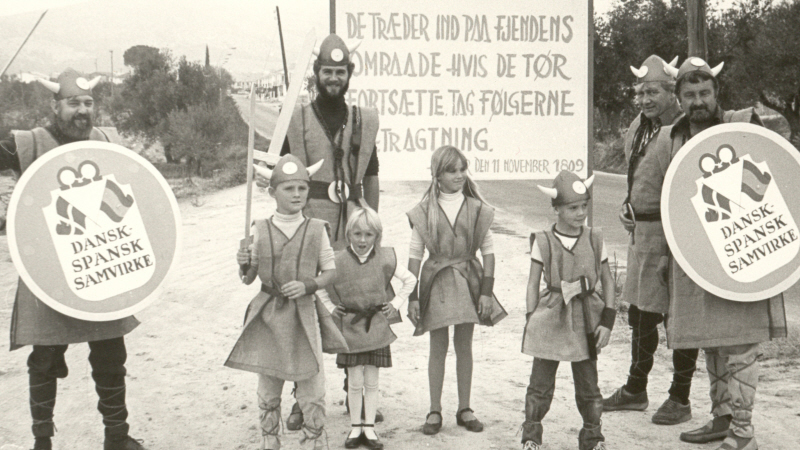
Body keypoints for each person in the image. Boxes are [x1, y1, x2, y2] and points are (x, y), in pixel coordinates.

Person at [0, 69, 146, 450]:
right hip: (48, 271)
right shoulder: (31, 142)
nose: (83, 110)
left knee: (111, 355)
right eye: (73, 103)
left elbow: (136, 187)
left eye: (88, 102)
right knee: (44, 359)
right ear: (55, 106)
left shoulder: (107, 141)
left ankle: (117, 437)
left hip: (98, 267)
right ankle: (42, 442)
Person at [653, 57, 787, 450]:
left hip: (743, 254)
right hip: (697, 258)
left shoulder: (741, 124)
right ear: (678, 99)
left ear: (716, 93)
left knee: (740, 345)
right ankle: (722, 418)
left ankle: (743, 433)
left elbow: (779, 163)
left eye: (705, 93)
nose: (698, 101)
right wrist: (664, 252)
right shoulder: (670, 139)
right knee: (711, 341)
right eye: (690, 94)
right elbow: (668, 202)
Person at [276, 33, 382, 430]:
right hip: (311, 224)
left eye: (340, 71)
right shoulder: (298, 119)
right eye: (327, 71)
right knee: (307, 311)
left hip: (352, 223)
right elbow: (286, 177)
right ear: (316, 74)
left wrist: (371, 223)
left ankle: (358, 395)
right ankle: (301, 399)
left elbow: (371, 174)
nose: (333, 78)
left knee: (354, 304)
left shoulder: (363, 120)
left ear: (349, 73)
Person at [603, 55, 699, 426]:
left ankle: (680, 397)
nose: (645, 99)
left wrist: (673, 246)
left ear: (672, 93)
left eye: (653, 92)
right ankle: (635, 390)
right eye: (641, 92)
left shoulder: (683, 130)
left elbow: (687, 191)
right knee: (641, 316)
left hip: (673, 238)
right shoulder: (639, 127)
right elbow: (638, 179)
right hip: (640, 238)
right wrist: (626, 207)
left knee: (681, 317)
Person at [226, 154, 347, 450]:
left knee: (312, 383)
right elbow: (249, 278)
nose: (296, 194)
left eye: (302, 188)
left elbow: (330, 272)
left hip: (304, 313)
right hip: (268, 313)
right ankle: (270, 439)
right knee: (269, 379)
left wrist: (308, 285)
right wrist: (243, 263)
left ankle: (313, 440)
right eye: (288, 188)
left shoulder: (317, 229)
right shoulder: (260, 228)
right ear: (272, 192)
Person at [406, 145, 506, 435]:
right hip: (436, 282)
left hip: (469, 281)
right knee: (437, 347)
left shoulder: (477, 209)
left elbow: (488, 252)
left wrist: (486, 291)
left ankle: (465, 408)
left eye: (463, 169)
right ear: (437, 175)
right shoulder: (424, 211)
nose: (459, 175)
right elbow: (414, 256)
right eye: (452, 170)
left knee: (465, 345)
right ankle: (434, 409)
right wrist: (412, 296)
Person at [520, 170, 616, 450]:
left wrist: (607, 321)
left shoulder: (595, 238)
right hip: (551, 316)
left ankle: (592, 438)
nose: (581, 213)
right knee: (540, 384)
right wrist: (531, 319)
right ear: (557, 209)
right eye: (573, 208)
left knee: (589, 385)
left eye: (584, 206)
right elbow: (532, 283)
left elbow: (607, 280)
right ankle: (531, 437)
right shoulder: (543, 241)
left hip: (587, 318)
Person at [317, 207, 417, 449]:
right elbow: (319, 286)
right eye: (357, 234)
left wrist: (395, 304)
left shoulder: (385, 257)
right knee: (354, 380)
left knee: (372, 380)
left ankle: (369, 428)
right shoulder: (337, 260)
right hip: (350, 328)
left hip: (376, 327)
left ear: (377, 236)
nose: (362, 240)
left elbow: (410, 280)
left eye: (369, 234)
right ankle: (355, 427)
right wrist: (331, 308)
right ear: (349, 234)